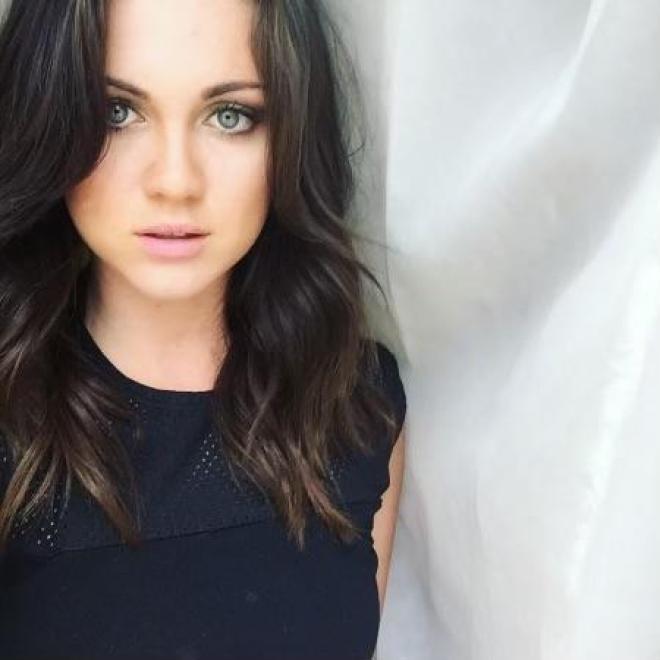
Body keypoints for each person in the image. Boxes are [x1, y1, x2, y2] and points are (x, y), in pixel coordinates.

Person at [0, 0, 407, 658]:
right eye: (117, 112)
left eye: (230, 116)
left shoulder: (357, 404)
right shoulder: (12, 421)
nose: (175, 181)